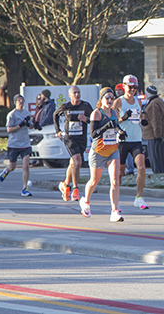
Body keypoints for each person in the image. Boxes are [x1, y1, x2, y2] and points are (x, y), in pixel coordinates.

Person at [85, 87, 126, 222]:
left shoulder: (115, 112)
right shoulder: (96, 113)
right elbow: (93, 134)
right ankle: (86, 201)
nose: (109, 100)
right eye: (106, 98)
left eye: (111, 98)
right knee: (94, 181)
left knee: (115, 180)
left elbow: (116, 126)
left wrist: (121, 132)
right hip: (98, 151)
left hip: (112, 150)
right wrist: (105, 127)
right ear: (101, 100)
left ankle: (114, 211)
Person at [112, 75, 150, 209]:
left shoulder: (138, 101)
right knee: (120, 172)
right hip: (123, 140)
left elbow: (139, 116)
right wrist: (123, 118)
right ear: (124, 86)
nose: (133, 90)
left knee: (141, 167)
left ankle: (139, 197)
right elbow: (113, 121)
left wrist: (142, 121)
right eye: (130, 87)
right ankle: (116, 199)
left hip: (136, 140)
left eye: (135, 87)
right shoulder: (118, 102)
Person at [53, 86, 93, 202]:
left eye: (78, 92)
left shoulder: (85, 106)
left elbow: (94, 119)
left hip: (81, 138)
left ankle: (65, 185)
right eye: (74, 93)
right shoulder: (66, 106)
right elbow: (55, 115)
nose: (77, 94)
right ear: (70, 94)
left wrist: (86, 119)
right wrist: (58, 131)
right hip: (69, 138)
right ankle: (75, 189)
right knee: (78, 161)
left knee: (73, 163)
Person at [0, 94, 34, 196]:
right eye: (19, 101)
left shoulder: (27, 113)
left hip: (25, 143)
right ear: (15, 102)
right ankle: (6, 171)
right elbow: (9, 130)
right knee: (12, 166)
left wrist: (32, 124)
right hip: (14, 143)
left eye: (22, 100)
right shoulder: (12, 115)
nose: (21, 102)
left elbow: (30, 126)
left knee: (26, 165)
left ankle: (24, 188)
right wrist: (20, 125)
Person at [142, 85, 164, 175]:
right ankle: (161, 173)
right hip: (161, 134)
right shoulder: (159, 101)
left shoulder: (153, 104)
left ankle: (157, 173)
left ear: (148, 93)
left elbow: (156, 120)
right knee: (160, 156)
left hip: (154, 135)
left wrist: (157, 135)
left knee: (155, 157)